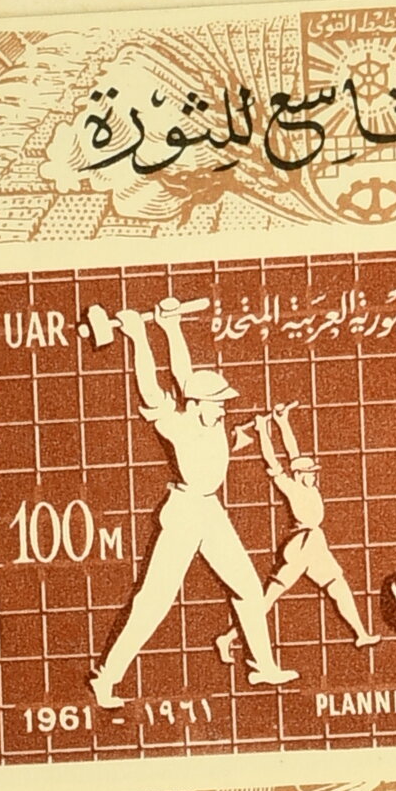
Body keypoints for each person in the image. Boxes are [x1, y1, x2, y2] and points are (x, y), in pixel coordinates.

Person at [89, 300, 294, 707]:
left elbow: (184, 374)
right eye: (217, 402)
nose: (224, 408)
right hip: (185, 514)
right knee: (154, 601)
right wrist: (138, 336)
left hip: (210, 513)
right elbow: (152, 389)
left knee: (247, 590)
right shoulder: (178, 424)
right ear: (197, 405)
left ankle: (263, 666)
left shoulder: (209, 416)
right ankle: (106, 679)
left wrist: (171, 326)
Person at [249, 404, 371, 648]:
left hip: (315, 543)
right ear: (298, 475)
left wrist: (282, 422)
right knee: (269, 598)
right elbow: (272, 460)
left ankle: (361, 634)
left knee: (338, 586)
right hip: (302, 545)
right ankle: (229, 637)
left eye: (314, 472)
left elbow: (292, 451)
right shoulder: (291, 487)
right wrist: (262, 430)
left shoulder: (309, 486)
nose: (314, 475)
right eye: (309, 472)